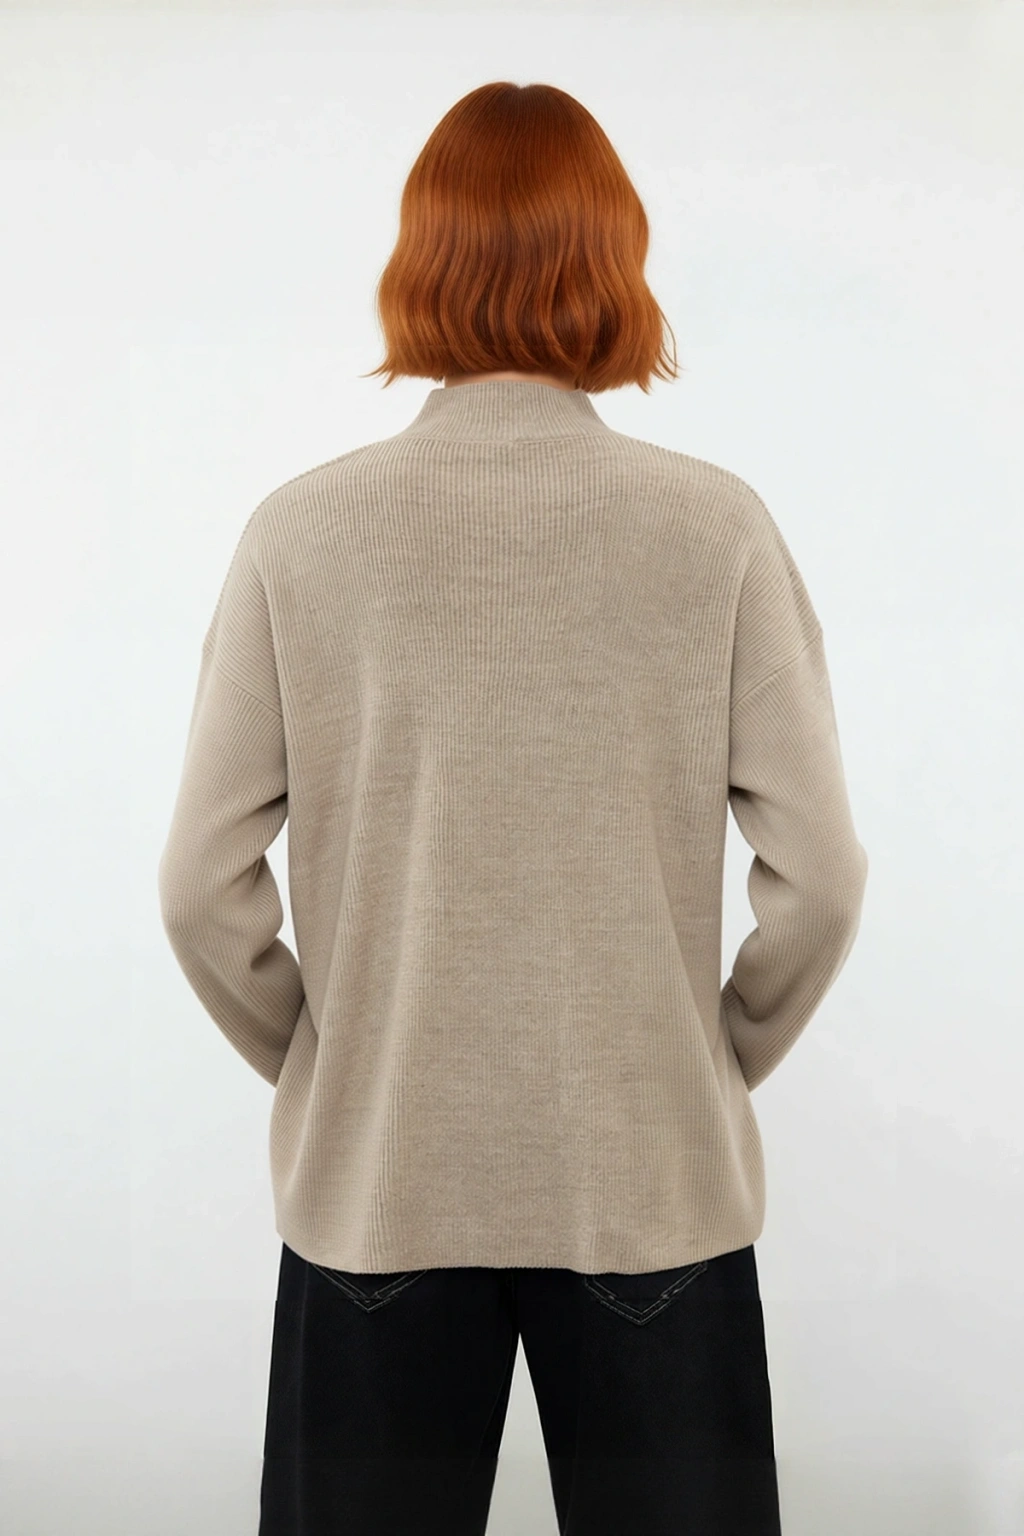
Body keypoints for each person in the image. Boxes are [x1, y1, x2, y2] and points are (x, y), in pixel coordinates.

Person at [157, 79, 868, 1536]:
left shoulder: (300, 534)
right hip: (649, 1177)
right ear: (615, 260)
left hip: (380, 1183)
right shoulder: (716, 529)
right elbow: (824, 878)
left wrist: (339, 1065)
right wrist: (702, 1060)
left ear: (419, 258)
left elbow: (198, 887)